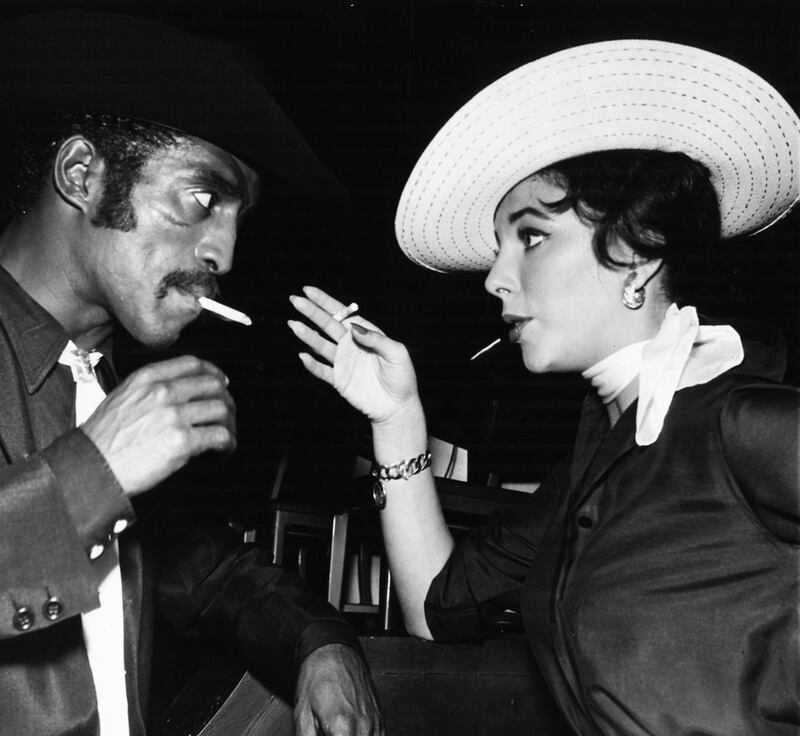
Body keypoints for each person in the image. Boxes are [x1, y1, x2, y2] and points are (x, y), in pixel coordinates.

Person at [289, 39, 800, 735]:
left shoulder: (746, 423)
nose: (496, 277)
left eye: (529, 237)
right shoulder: (601, 460)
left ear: (637, 252)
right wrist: (397, 417)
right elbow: (437, 609)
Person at [0, 10, 383, 736]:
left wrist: (319, 643)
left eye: (239, 218)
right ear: (82, 176)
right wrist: (93, 471)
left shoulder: (108, 382)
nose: (226, 255)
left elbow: (202, 570)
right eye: (203, 199)